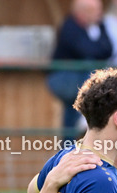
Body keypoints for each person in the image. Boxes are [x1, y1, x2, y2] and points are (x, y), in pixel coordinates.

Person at [48, 0, 113, 135]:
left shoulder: (98, 25)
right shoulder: (69, 26)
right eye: (95, 10)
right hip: (63, 79)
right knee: (75, 109)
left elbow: (108, 49)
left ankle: (70, 148)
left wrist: (95, 46)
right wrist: (96, 47)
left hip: (80, 81)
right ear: (83, 12)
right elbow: (86, 51)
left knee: (72, 112)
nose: (100, 14)